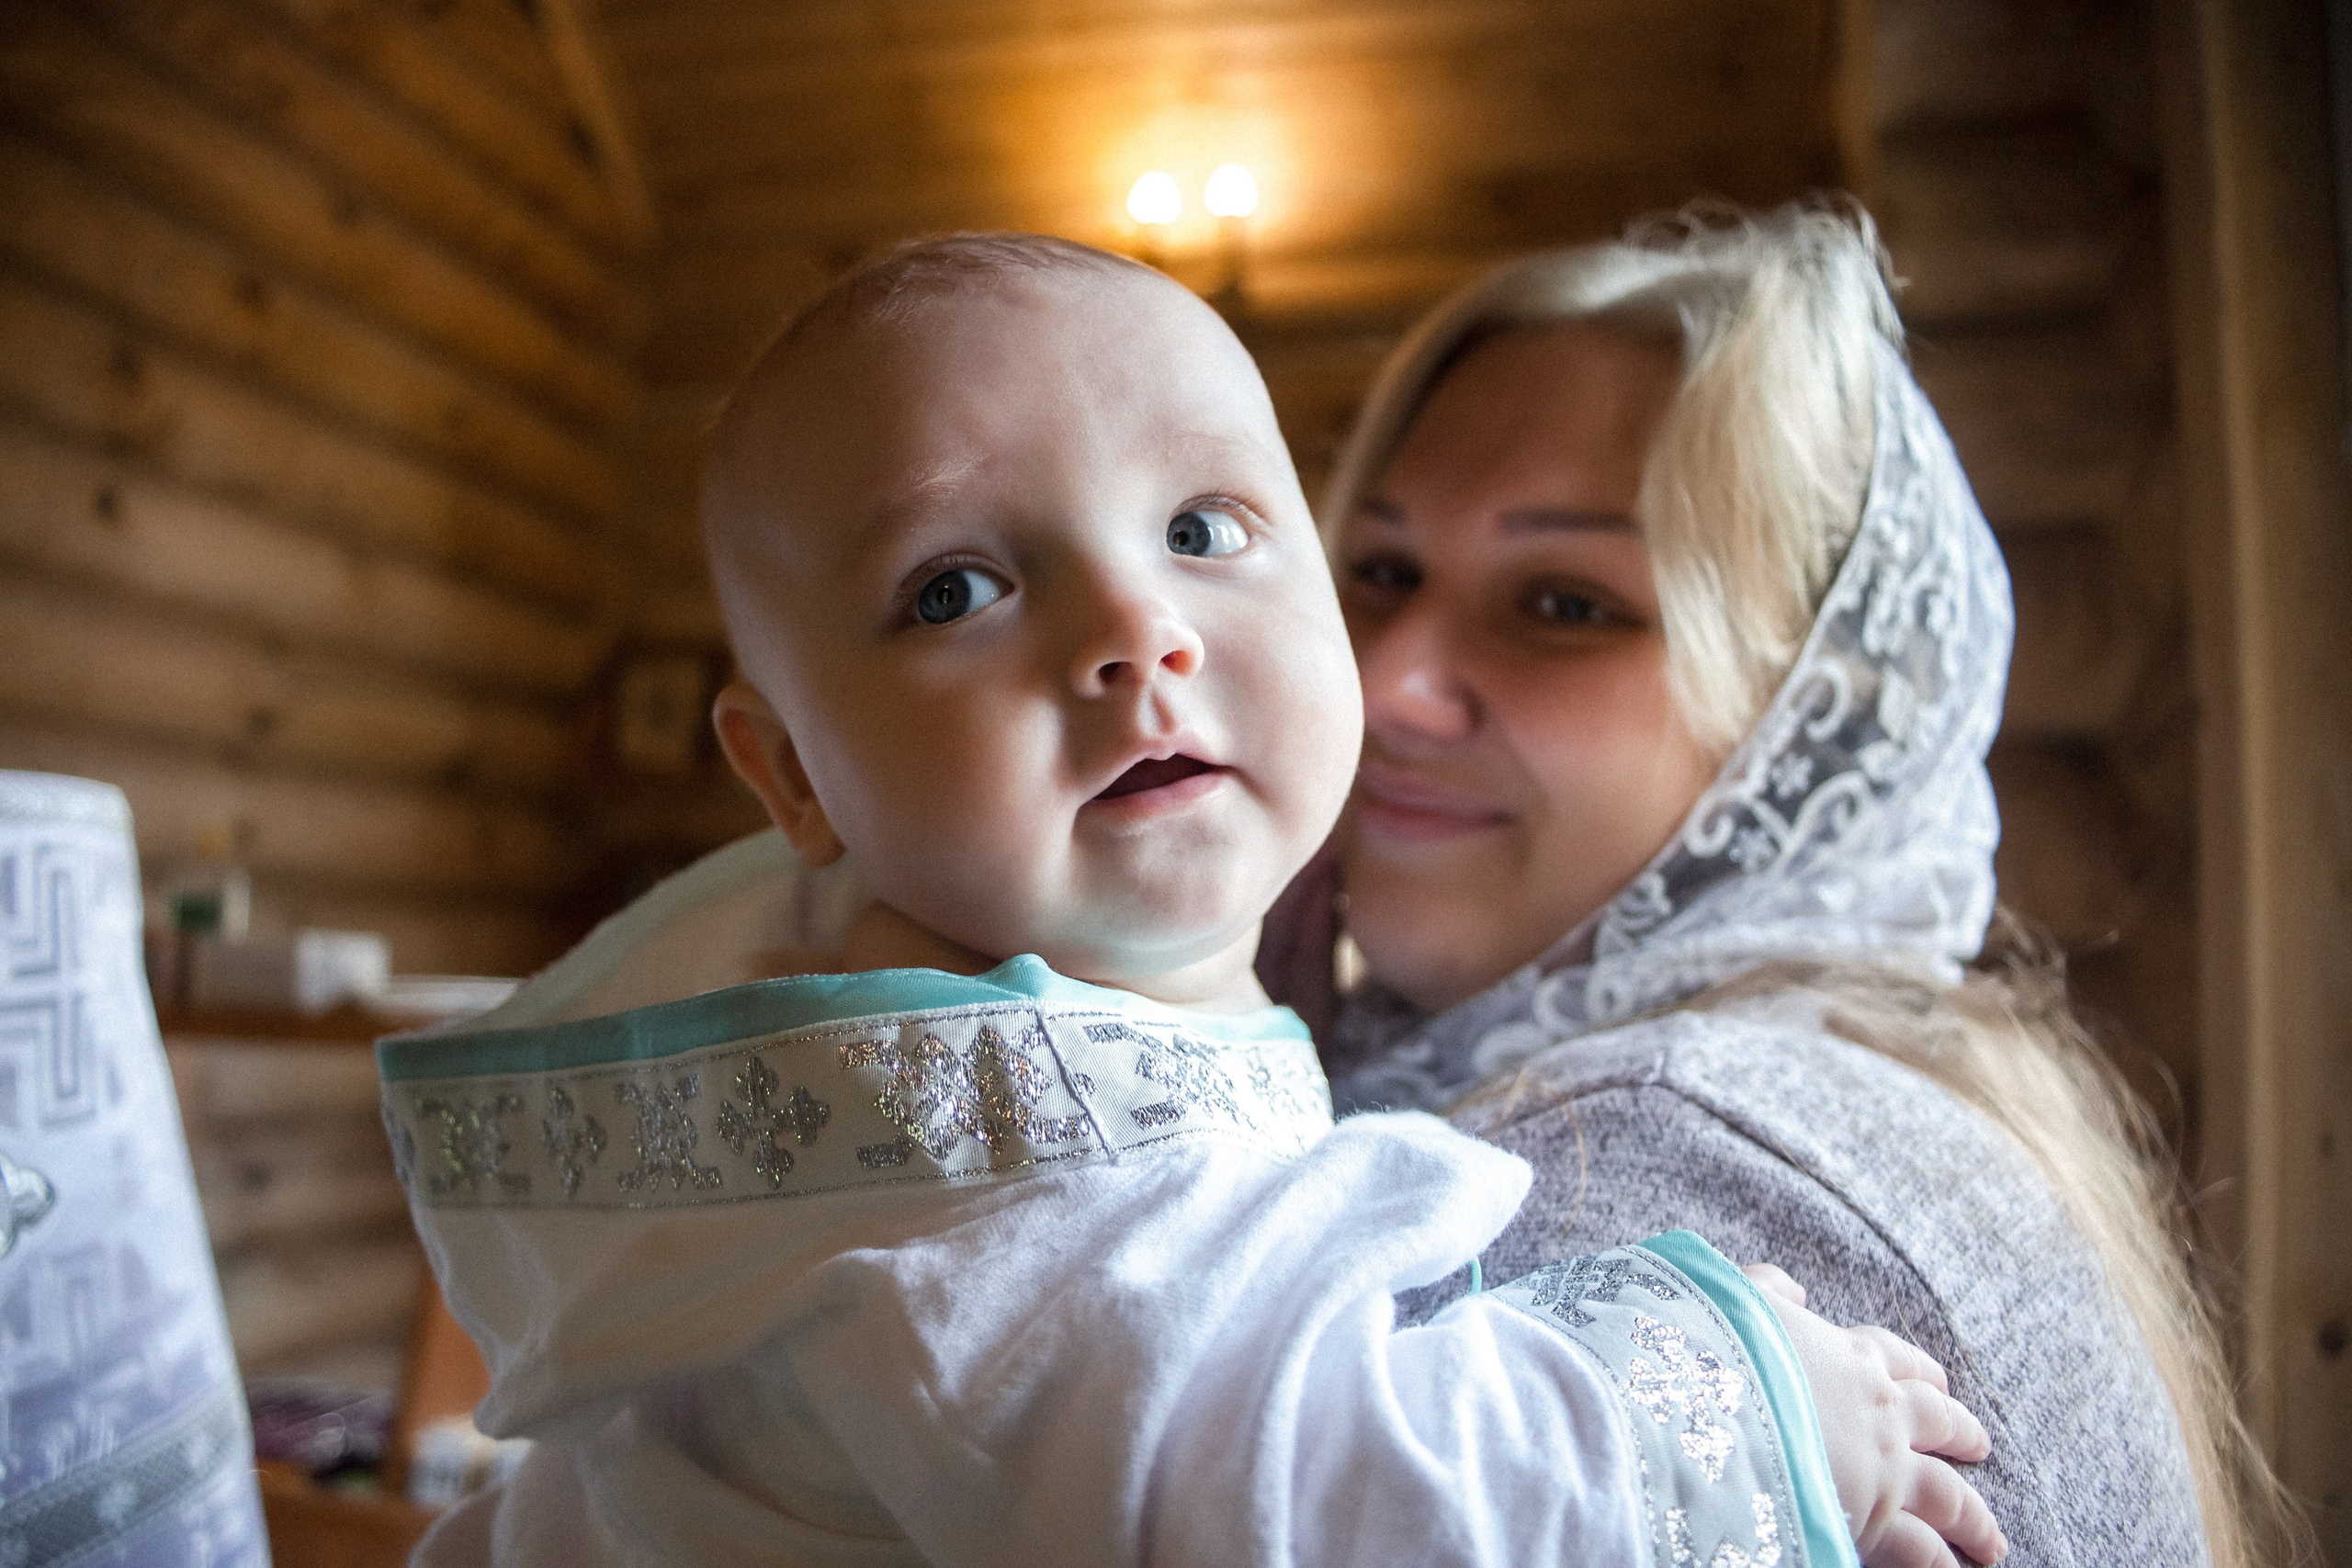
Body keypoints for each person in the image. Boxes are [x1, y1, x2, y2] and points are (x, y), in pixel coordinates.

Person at [380, 233, 2004, 1568]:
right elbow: (1339, 1515)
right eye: (956, 587)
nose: (1137, 627)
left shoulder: (1733, 1138)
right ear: (792, 776)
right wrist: (1756, 1396)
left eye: (1203, 528)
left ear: (1811, 709)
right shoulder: (990, 1162)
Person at [1256, 203, 2290, 1568]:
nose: (1386, 679)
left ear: (1805, 718)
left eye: (1566, 602)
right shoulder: (1867, 1065)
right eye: (1381, 570)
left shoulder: (1641, 1165)